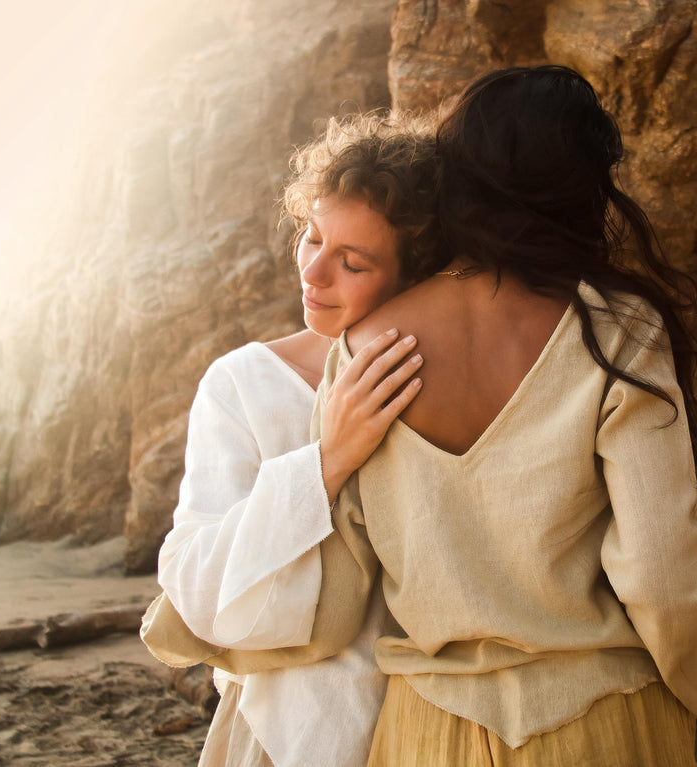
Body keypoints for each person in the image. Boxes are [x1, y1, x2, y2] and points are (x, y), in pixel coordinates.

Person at [315, 66, 697, 766]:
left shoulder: (363, 349)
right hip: (602, 720)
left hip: (430, 730)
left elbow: (336, 594)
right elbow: (665, 576)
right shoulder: (616, 327)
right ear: (580, 187)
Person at [146, 112, 444, 767]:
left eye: (352, 262)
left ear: (413, 272)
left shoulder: (453, 385)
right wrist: (327, 460)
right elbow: (195, 586)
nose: (313, 273)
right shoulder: (243, 383)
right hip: (285, 729)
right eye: (311, 237)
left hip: (442, 726)